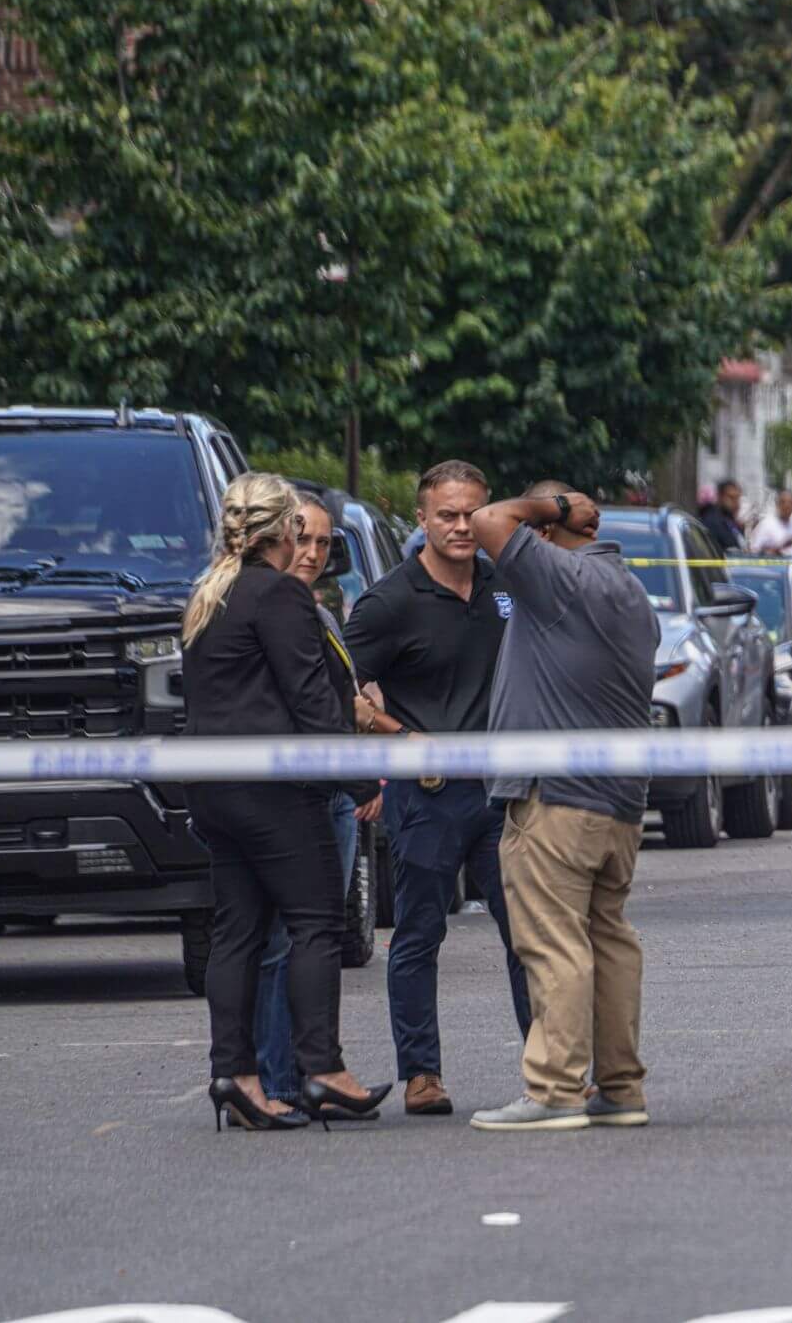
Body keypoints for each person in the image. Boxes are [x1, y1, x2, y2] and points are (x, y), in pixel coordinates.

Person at [181, 473, 390, 1131]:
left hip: (216, 791)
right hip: (276, 794)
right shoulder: (279, 596)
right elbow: (311, 702)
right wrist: (360, 780)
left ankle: (235, 1077)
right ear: (287, 531)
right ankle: (322, 1069)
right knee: (317, 923)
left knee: (238, 932)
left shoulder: (209, 595)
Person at [465, 483, 661, 1131]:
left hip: (554, 797)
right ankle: (620, 1087)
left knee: (553, 945)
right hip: (619, 802)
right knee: (608, 941)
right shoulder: (632, 595)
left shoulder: (558, 578)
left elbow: (490, 520)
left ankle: (553, 1090)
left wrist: (544, 504)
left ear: (548, 533)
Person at [345, 460, 531, 1118]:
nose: (460, 526)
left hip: (504, 790)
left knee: (528, 935)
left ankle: (553, 1073)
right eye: (446, 514)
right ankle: (422, 1074)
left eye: (471, 514)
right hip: (426, 796)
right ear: (421, 519)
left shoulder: (507, 585)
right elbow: (342, 693)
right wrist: (400, 735)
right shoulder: (389, 602)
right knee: (420, 933)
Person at [250, 492, 383, 1115]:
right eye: (300, 537)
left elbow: (336, 699)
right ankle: (278, 1082)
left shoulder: (320, 613)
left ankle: (313, 1072)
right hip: (289, 796)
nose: (310, 552)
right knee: (281, 940)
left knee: (319, 938)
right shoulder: (261, 607)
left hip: (331, 791)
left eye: (324, 543)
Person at [748, 489, 792, 558]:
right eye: (783, 502)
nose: (787, 506)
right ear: (777, 504)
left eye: (791, 503)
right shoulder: (766, 524)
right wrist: (777, 550)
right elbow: (754, 551)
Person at [700, 478, 747, 553]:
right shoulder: (711, 522)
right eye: (731, 497)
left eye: (738, 498)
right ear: (719, 497)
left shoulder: (732, 522)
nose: (736, 502)